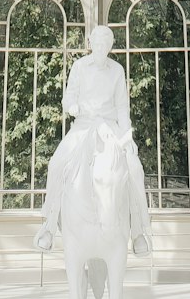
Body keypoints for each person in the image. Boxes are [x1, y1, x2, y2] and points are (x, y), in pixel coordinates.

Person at [34, 25, 152, 255]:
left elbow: (122, 107)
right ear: (90, 44)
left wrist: (127, 138)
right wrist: (73, 107)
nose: (101, 48)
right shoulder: (79, 67)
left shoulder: (117, 70)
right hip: (83, 126)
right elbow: (68, 98)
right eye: (97, 43)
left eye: (105, 44)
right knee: (56, 164)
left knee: (135, 170)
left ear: (110, 46)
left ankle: (138, 232)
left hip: (111, 128)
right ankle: (48, 227)